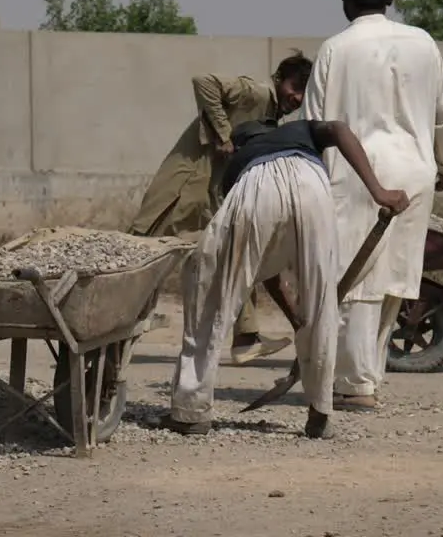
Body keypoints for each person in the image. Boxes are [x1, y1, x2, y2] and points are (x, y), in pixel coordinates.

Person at [161, 117, 410, 439]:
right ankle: (320, 411)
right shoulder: (301, 130)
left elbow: (259, 263)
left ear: (240, 144)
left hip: (255, 188)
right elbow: (338, 129)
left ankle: (191, 411)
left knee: (211, 294)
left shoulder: (239, 164)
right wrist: (378, 192)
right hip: (313, 185)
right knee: (321, 303)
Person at [302, 0, 443, 412]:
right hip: (413, 173)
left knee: (353, 279)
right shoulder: (423, 43)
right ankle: (365, 377)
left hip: (355, 172)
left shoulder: (336, 48)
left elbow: (315, 123)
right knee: (392, 277)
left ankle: (355, 384)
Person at [128, 53, 314, 364]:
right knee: (140, 250)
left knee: (233, 252)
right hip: (183, 186)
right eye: (294, 88)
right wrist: (224, 134)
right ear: (279, 79)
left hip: (207, 194)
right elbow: (205, 82)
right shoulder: (256, 92)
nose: (296, 99)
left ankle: (245, 336)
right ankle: (108, 323)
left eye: (301, 95)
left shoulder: (269, 115)